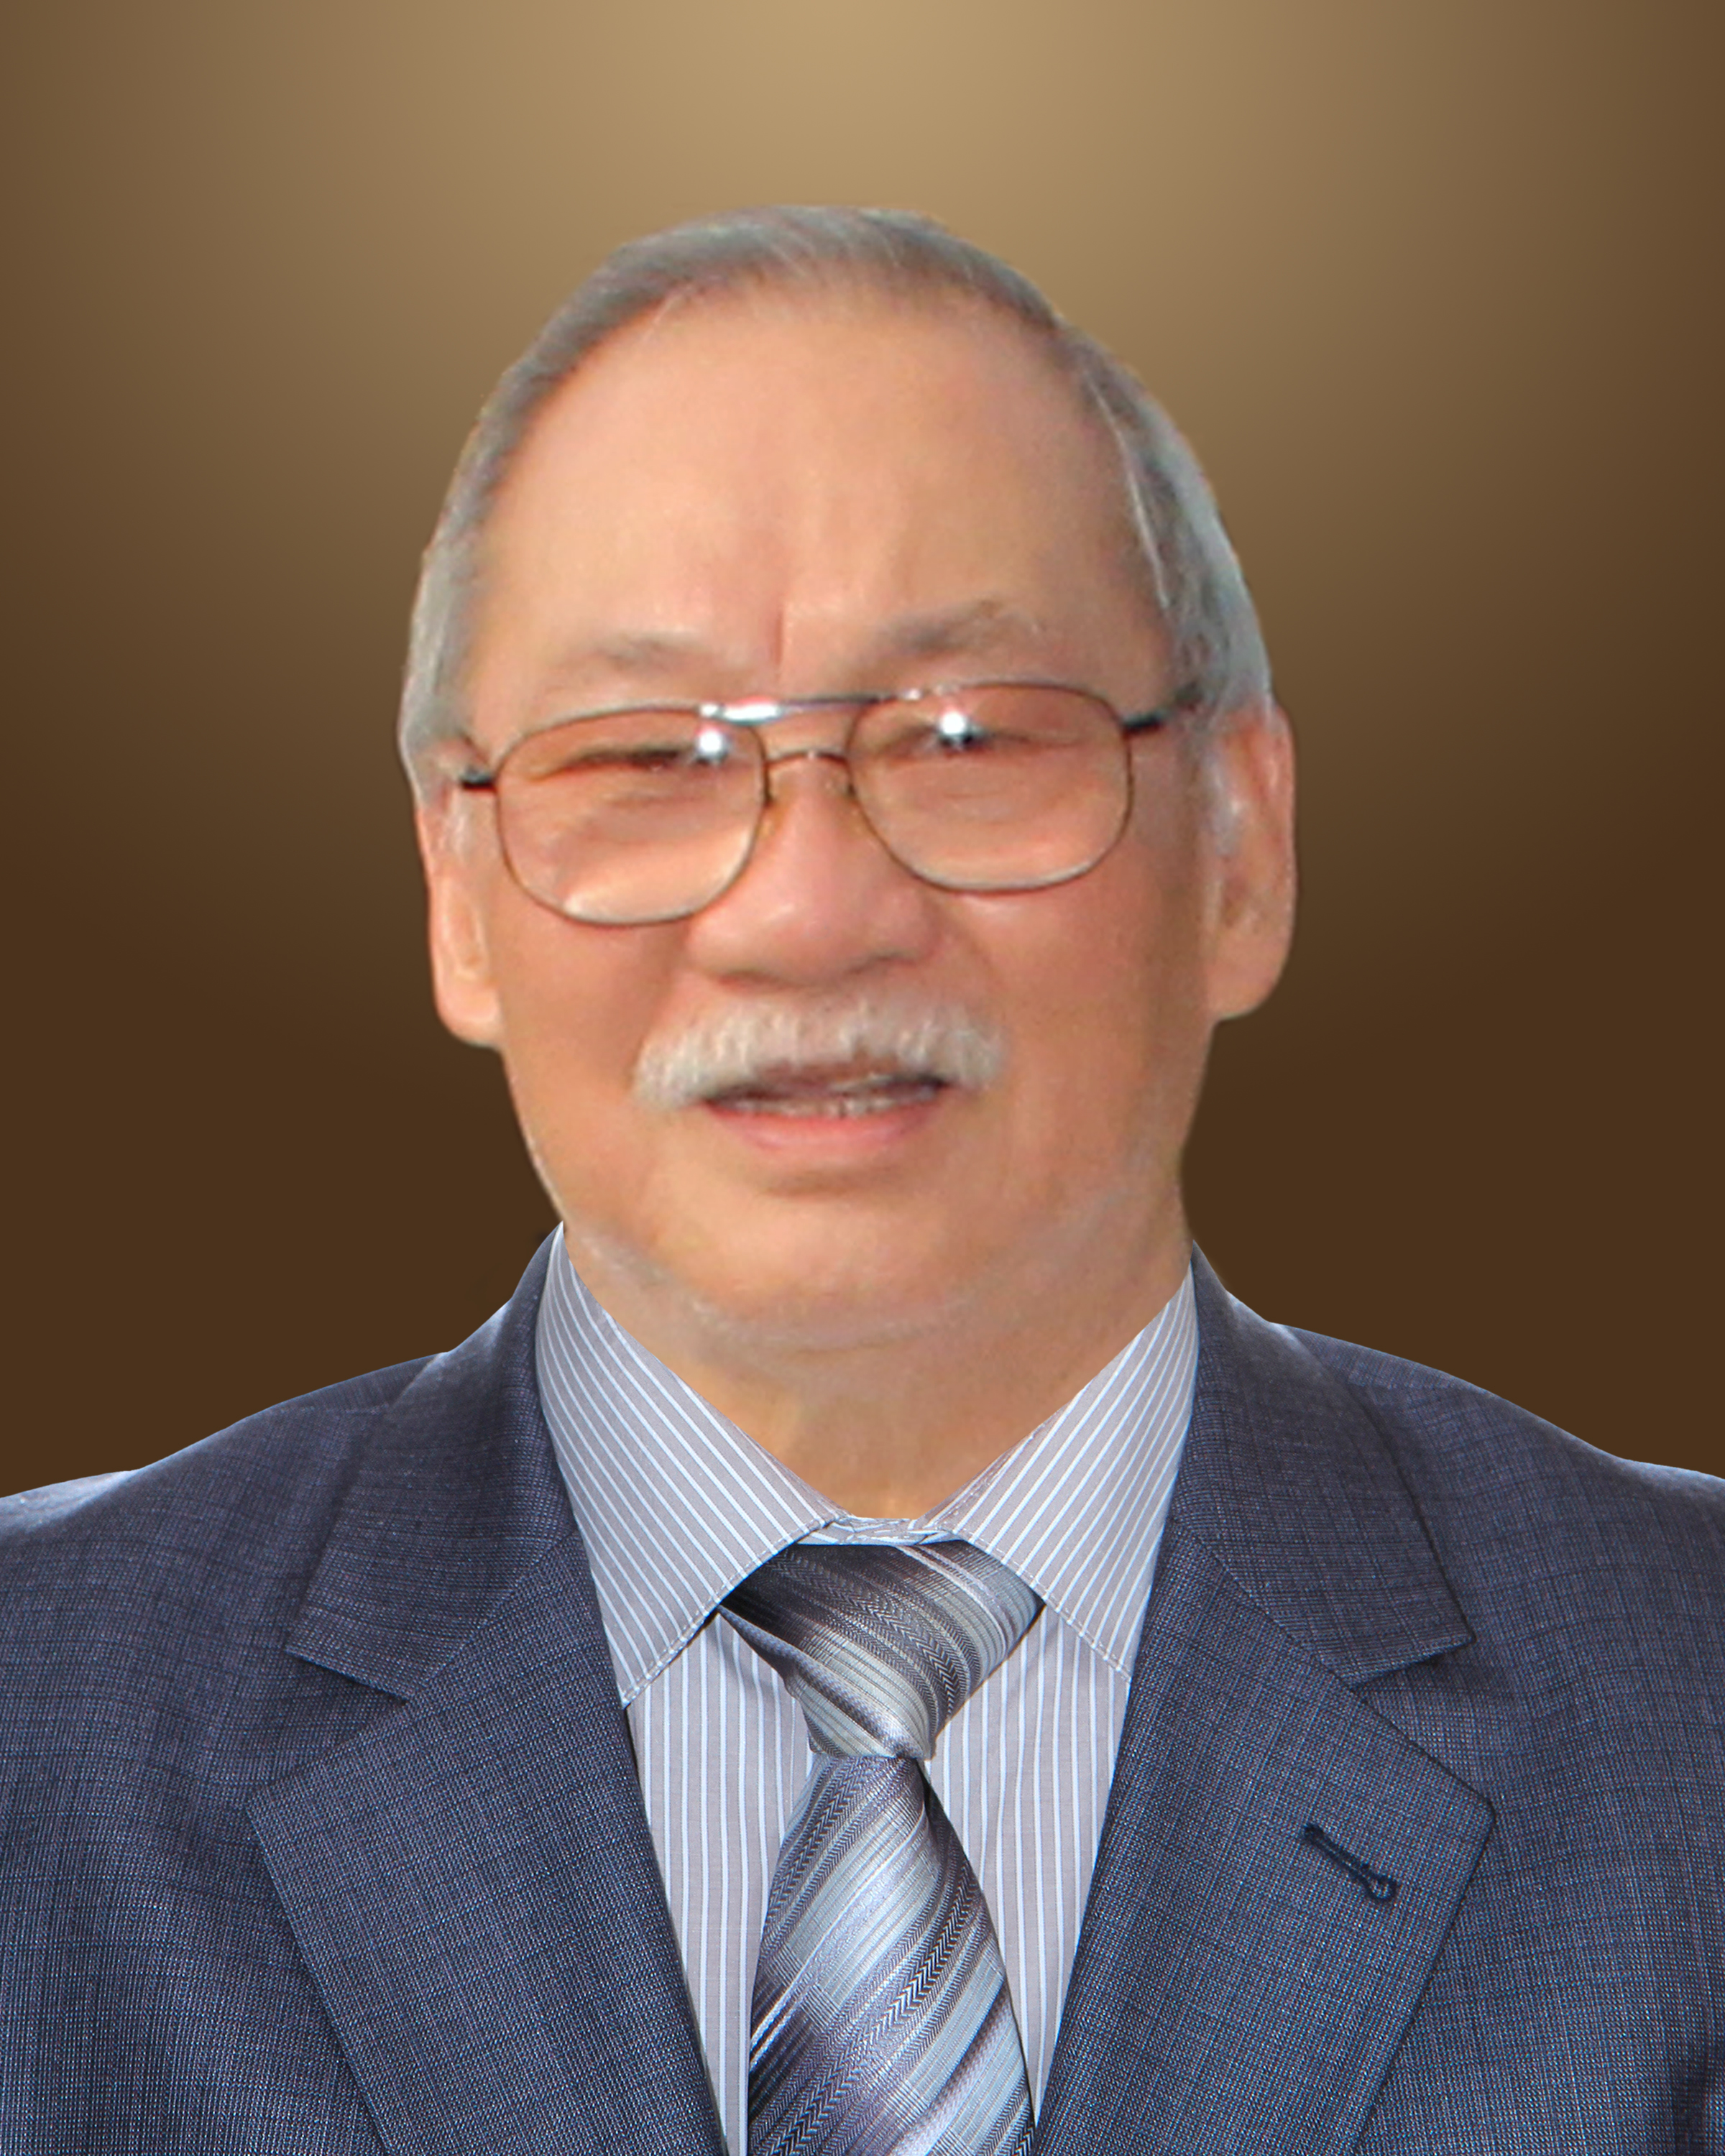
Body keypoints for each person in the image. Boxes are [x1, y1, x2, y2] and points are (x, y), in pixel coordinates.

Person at [1, 207, 1719, 2155]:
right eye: (644, 761)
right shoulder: (35, 1718)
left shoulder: (1691, 1699)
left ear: (1244, 846)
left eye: (969, 737)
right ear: (457, 899)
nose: (808, 915)